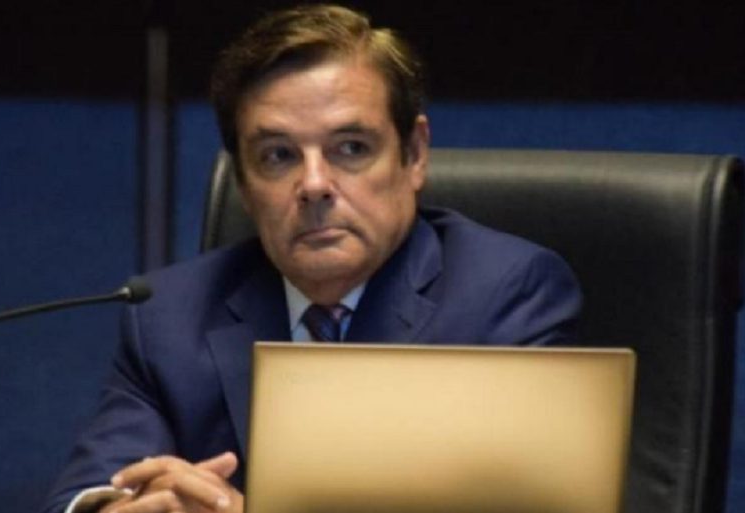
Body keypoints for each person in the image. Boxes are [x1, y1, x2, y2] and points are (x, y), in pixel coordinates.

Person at [42, 4, 581, 513]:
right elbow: (89, 488)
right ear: (243, 183)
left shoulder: (504, 298)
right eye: (278, 156)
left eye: (351, 148)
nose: (315, 184)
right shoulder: (168, 316)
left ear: (414, 154)